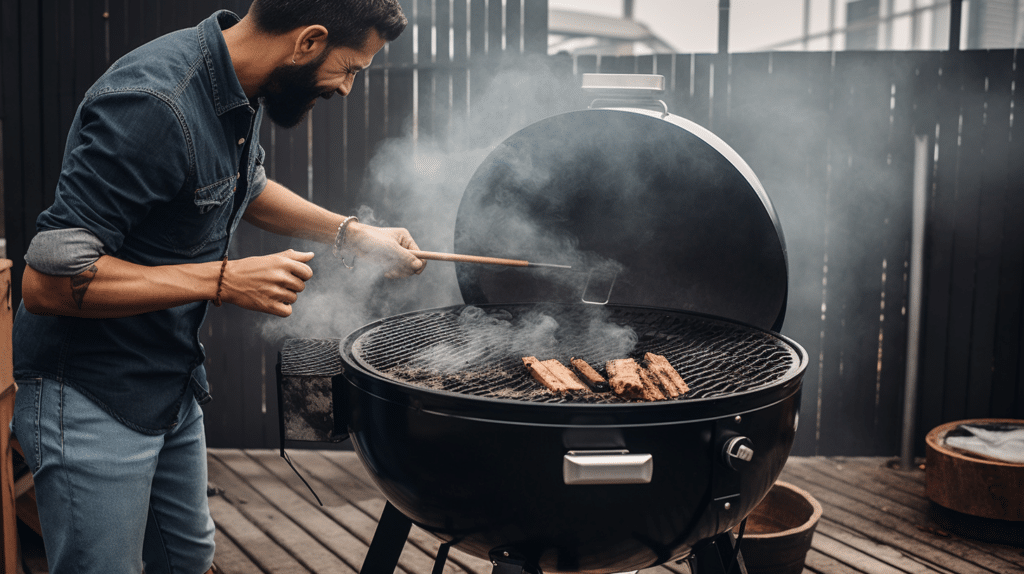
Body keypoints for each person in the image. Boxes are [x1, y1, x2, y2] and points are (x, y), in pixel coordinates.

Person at [10, 1, 423, 573]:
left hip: (169, 380)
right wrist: (223, 280)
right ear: (308, 41)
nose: (349, 88)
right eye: (351, 68)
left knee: (186, 560)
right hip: (89, 390)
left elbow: (245, 187)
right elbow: (47, 284)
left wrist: (352, 235)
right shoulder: (153, 102)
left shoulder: (238, 86)